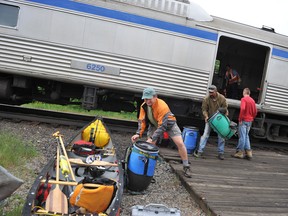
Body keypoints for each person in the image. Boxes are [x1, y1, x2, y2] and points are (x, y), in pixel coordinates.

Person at [131, 87, 192, 178]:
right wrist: (138, 134)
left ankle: (186, 166)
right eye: (145, 98)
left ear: (155, 97)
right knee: (150, 145)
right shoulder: (143, 106)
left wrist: (152, 138)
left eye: (149, 98)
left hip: (169, 124)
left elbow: (162, 126)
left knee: (180, 143)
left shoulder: (162, 106)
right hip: (154, 124)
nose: (147, 101)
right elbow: (142, 121)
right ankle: (148, 169)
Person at [194, 85, 228, 160]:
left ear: (216, 91)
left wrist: (224, 114)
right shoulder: (206, 99)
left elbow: (225, 109)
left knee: (221, 136)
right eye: (209, 92)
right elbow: (204, 109)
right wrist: (206, 116)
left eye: (212, 92)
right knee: (205, 135)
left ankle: (221, 153)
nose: (210, 94)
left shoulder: (222, 98)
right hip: (210, 119)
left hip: (219, 120)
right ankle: (200, 151)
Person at [232, 88, 257, 160]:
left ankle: (239, 152)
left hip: (244, 120)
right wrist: (252, 117)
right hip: (250, 121)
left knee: (242, 136)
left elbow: (242, 109)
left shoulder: (243, 99)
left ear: (244, 92)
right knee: (246, 136)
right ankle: (249, 153)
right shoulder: (252, 100)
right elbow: (255, 111)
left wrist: (240, 119)